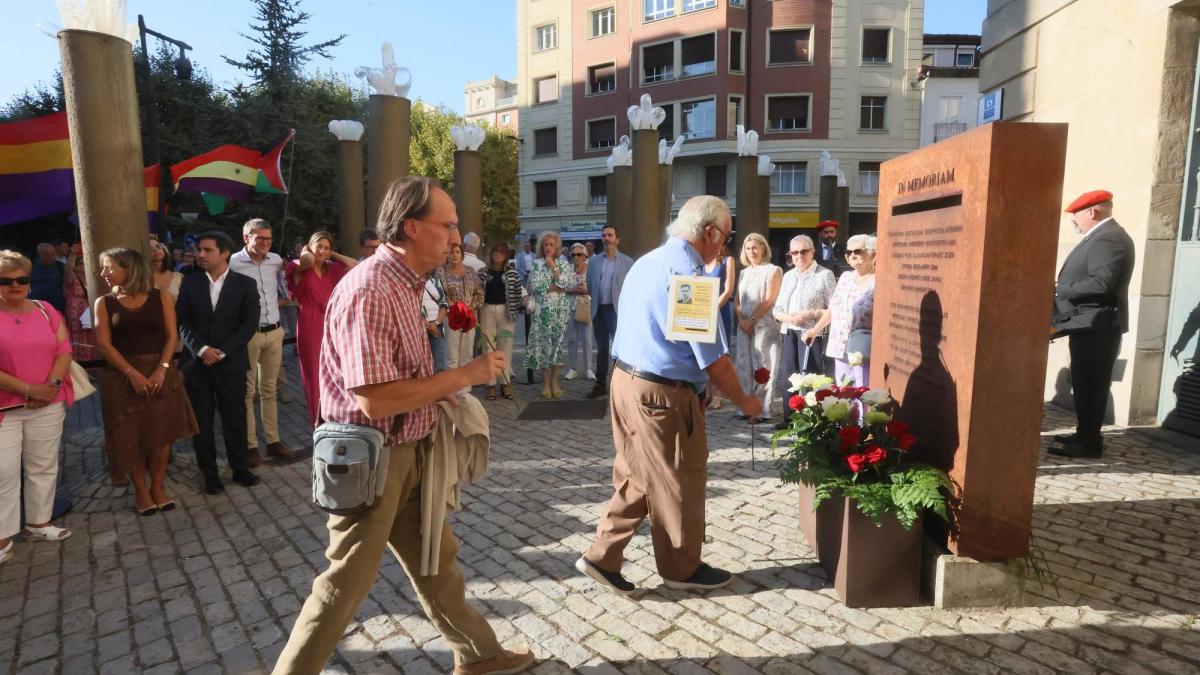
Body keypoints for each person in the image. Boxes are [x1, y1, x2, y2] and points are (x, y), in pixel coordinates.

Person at [274, 176, 533, 675]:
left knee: (436, 560)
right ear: (412, 227)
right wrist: (465, 376)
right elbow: (374, 400)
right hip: (372, 462)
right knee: (343, 583)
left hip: (405, 453)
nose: (457, 237)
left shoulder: (406, 283)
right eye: (448, 225)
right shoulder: (371, 289)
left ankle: (480, 655)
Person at [575, 196, 761, 596]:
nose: (725, 248)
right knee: (680, 476)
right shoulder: (689, 278)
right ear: (708, 232)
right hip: (660, 394)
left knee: (637, 473)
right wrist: (746, 401)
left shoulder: (648, 262)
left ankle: (602, 557)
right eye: (726, 239)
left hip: (626, 382)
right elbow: (713, 359)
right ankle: (681, 567)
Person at [93, 248, 197, 515]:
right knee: (131, 435)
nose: (104, 273)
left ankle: (158, 486)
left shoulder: (161, 297)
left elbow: (172, 337)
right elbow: (104, 345)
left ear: (130, 268)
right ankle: (141, 491)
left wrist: (162, 370)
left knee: (161, 433)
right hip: (121, 377)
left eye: (109, 267)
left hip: (160, 373)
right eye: (103, 268)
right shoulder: (103, 303)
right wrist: (132, 374)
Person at [0, 250, 76, 565]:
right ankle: (2, 536)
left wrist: (50, 389)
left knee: (43, 465)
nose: (15, 285)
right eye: (6, 280)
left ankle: (39, 523)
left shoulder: (46, 310)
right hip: (6, 407)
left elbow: (64, 350)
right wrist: (29, 390)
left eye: (22, 279)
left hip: (48, 402)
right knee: (2, 472)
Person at [1048, 190, 1135, 459]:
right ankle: (1085, 433)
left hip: (1097, 326)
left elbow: (1101, 283)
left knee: (1091, 385)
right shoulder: (1102, 236)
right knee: (1086, 383)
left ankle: (1088, 444)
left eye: (1076, 216)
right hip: (1088, 324)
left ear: (1092, 212)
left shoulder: (1108, 238)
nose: (1074, 221)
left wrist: (1060, 289)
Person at [176, 231, 262, 496]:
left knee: (235, 418)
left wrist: (222, 351)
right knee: (201, 422)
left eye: (207, 250)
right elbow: (182, 321)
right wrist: (202, 350)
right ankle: (210, 474)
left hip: (231, 363)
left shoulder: (245, 284)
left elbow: (248, 325)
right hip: (197, 366)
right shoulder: (189, 283)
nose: (200, 254)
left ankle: (239, 468)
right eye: (200, 249)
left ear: (224, 253)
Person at [229, 218, 296, 465]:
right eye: (260, 239)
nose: (265, 243)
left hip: (275, 332)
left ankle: (273, 441)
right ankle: (250, 446)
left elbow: (291, 278)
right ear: (246, 238)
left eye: (268, 239)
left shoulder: (276, 260)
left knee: (270, 390)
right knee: (247, 392)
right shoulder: (233, 263)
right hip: (248, 335)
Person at [287, 231, 357, 426]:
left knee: (335, 369)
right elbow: (308, 261)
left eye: (327, 247)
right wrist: (307, 251)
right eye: (319, 246)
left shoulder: (332, 268)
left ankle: (334, 414)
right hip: (310, 322)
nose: (323, 250)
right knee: (314, 373)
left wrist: (332, 254)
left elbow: (355, 265)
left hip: (331, 321)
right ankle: (318, 420)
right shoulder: (299, 266)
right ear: (310, 246)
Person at [772, 235, 836, 428]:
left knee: (811, 377)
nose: (799, 256)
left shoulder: (824, 275)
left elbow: (835, 309)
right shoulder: (788, 275)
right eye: (794, 252)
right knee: (789, 377)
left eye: (804, 251)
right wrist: (790, 318)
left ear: (812, 252)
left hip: (812, 333)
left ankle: (812, 421)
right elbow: (777, 309)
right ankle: (789, 419)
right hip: (789, 331)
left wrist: (811, 313)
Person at [805, 234, 876, 387]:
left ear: (872, 253)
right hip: (839, 345)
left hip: (861, 349)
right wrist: (815, 330)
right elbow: (832, 309)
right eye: (849, 252)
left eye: (857, 251)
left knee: (862, 392)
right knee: (844, 393)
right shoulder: (845, 277)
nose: (852, 255)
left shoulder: (877, 281)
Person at [733, 233, 783, 423]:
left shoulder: (773, 270)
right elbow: (737, 300)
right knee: (744, 365)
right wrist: (741, 319)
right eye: (748, 248)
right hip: (744, 325)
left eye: (755, 247)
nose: (752, 252)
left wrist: (752, 320)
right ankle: (744, 407)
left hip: (764, 325)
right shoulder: (744, 272)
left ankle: (761, 410)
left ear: (763, 248)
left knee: (764, 366)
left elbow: (770, 298)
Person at [527, 231, 578, 399]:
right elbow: (537, 286)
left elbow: (568, 284)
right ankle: (545, 383)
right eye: (545, 244)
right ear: (542, 247)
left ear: (556, 247)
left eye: (551, 245)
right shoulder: (536, 264)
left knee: (557, 348)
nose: (548, 247)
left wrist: (553, 268)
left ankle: (555, 382)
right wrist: (557, 286)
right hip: (542, 312)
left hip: (560, 312)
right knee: (544, 347)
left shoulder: (563, 265)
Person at [585, 225, 634, 399]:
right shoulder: (594, 261)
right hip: (599, 310)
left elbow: (631, 289)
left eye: (610, 235)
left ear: (617, 239)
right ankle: (600, 385)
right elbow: (590, 286)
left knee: (619, 350)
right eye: (604, 235)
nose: (607, 238)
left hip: (617, 312)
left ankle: (620, 385)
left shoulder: (627, 262)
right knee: (602, 349)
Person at [478, 241, 522, 400]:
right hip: (487, 310)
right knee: (488, 347)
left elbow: (517, 293)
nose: (498, 255)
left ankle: (505, 383)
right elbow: (477, 293)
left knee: (505, 347)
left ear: (506, 256)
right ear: (491, 254)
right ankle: (490, 384)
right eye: (496, 252)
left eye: (502, 252)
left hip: (506, 312)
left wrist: (514, 310)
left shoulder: (512, 273)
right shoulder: (482, 272)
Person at [438, 240, 484, 380]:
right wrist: (450, 305)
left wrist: (471, 307)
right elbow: (439, 294)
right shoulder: (441, 272)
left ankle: (465, 388)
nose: (454, 255)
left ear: (462, 254)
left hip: (469, 317)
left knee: (467, 354)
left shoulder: (470, 271)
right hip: (451, 318)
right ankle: (451, 388)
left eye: (457, 252)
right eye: (451, 252)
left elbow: (480, 293)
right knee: (451, 355)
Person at [564, 243, 593, 382]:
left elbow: (595, 287)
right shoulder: (568, 270)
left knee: (587, 339)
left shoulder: (590, 269)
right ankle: (573, 368)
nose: (576, 257)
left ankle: (588, 369)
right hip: (571, 306)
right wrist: (573, 290)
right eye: (573, 254)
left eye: (579, 254)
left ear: (585, 256)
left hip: (585, 306)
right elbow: (563, 288)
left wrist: (586, 290)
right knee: (571, 339)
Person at [63, 245, 95, 361]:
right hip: (75, 311)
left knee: (91, 335)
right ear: (76, 267)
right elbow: (67, 270)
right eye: (82, 263)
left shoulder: (91, 279)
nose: (86, 265)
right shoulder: (72, 278)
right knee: (79, 335)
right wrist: (72, 255)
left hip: (89, 310)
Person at [422, 273, 450, 372]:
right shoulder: (410, 282)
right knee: (422, 365)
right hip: (420, 328)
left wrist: (437, 322)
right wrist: (427, 324)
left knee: (440, 363)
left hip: (437, 325)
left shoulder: (435, 280)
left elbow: (444, 302)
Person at [28, 243, 66, 314]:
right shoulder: (29, 266)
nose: (50, 257)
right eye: (46, 254)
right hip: (35, 307)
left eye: (53, 254)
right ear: (39, 254)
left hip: (56, 308)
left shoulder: (60, 266)